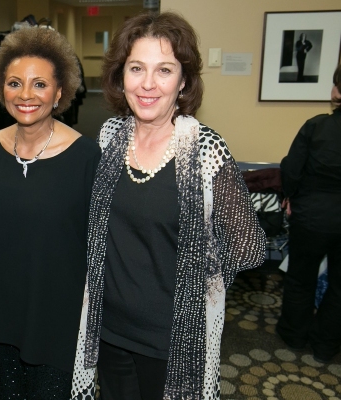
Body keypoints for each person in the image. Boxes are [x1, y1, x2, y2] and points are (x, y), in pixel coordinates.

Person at [76, 11, 266, 399]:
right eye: (136, 68)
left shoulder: (206, 150)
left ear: (183, 81)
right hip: (108, 325)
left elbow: (250, 247)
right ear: (120, 77)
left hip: (170, 339)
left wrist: (203, 279)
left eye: (164, 70)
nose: (148, 84)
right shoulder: (110, 136)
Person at [0, 27, 101, 400]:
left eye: (39, 84)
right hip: (1, 311)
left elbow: (99, 245)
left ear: (59, 91)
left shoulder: (86, 157)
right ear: (0, 88)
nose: (26, 94)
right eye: (15, 83)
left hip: (57, 317)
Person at [276, 63, 341, 363]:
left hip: (312, 216)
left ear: (337, 90)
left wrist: (289, 195)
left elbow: (291, 169)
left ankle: (293, 335)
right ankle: (326, 346)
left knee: (301, 279)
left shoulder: (316, 126)